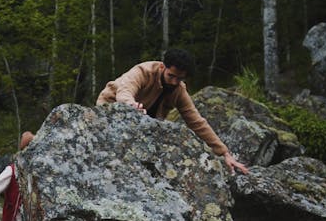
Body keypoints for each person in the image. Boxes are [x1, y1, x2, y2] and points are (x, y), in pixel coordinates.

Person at [96, 48, 248, 174]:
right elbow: (125, 91)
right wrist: (131, 106)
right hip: (110, 110)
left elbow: (196, 121)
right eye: (171, 76)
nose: (174, 82)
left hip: (146, 122)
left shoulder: (178, 90)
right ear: (162, 67)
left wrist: (224, 153)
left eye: (179, 79)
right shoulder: (143, 71)